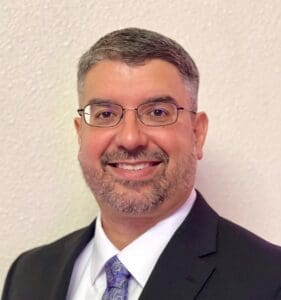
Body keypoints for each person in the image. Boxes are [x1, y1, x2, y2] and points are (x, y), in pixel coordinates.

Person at [2, 28, 281, 300]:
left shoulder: (270, 281)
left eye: (158, 112)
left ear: (197, 133)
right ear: (80, 133)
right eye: (105, 114)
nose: (130, 138)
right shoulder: (28, 274)